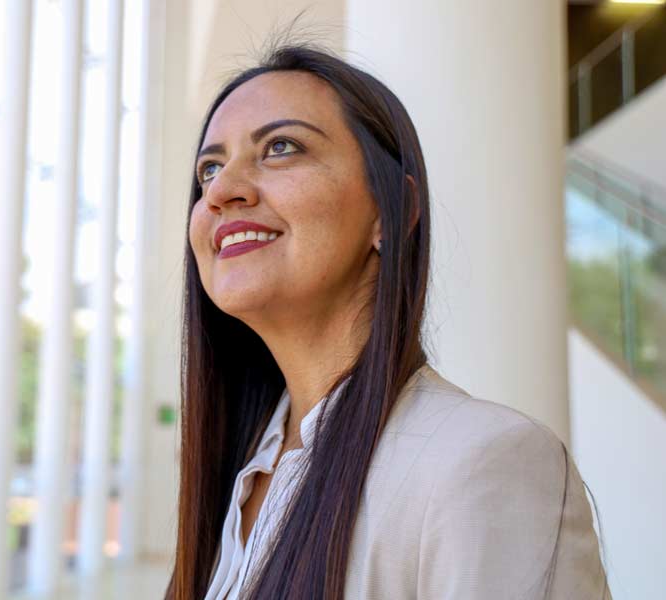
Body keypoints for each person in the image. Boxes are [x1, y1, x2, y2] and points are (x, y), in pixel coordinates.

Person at [165, 45, 610, 600]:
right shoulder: (238, 477)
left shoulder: (487, 463)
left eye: (281, 147)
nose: (221, 192)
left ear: (390, 210)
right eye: (210, 167)